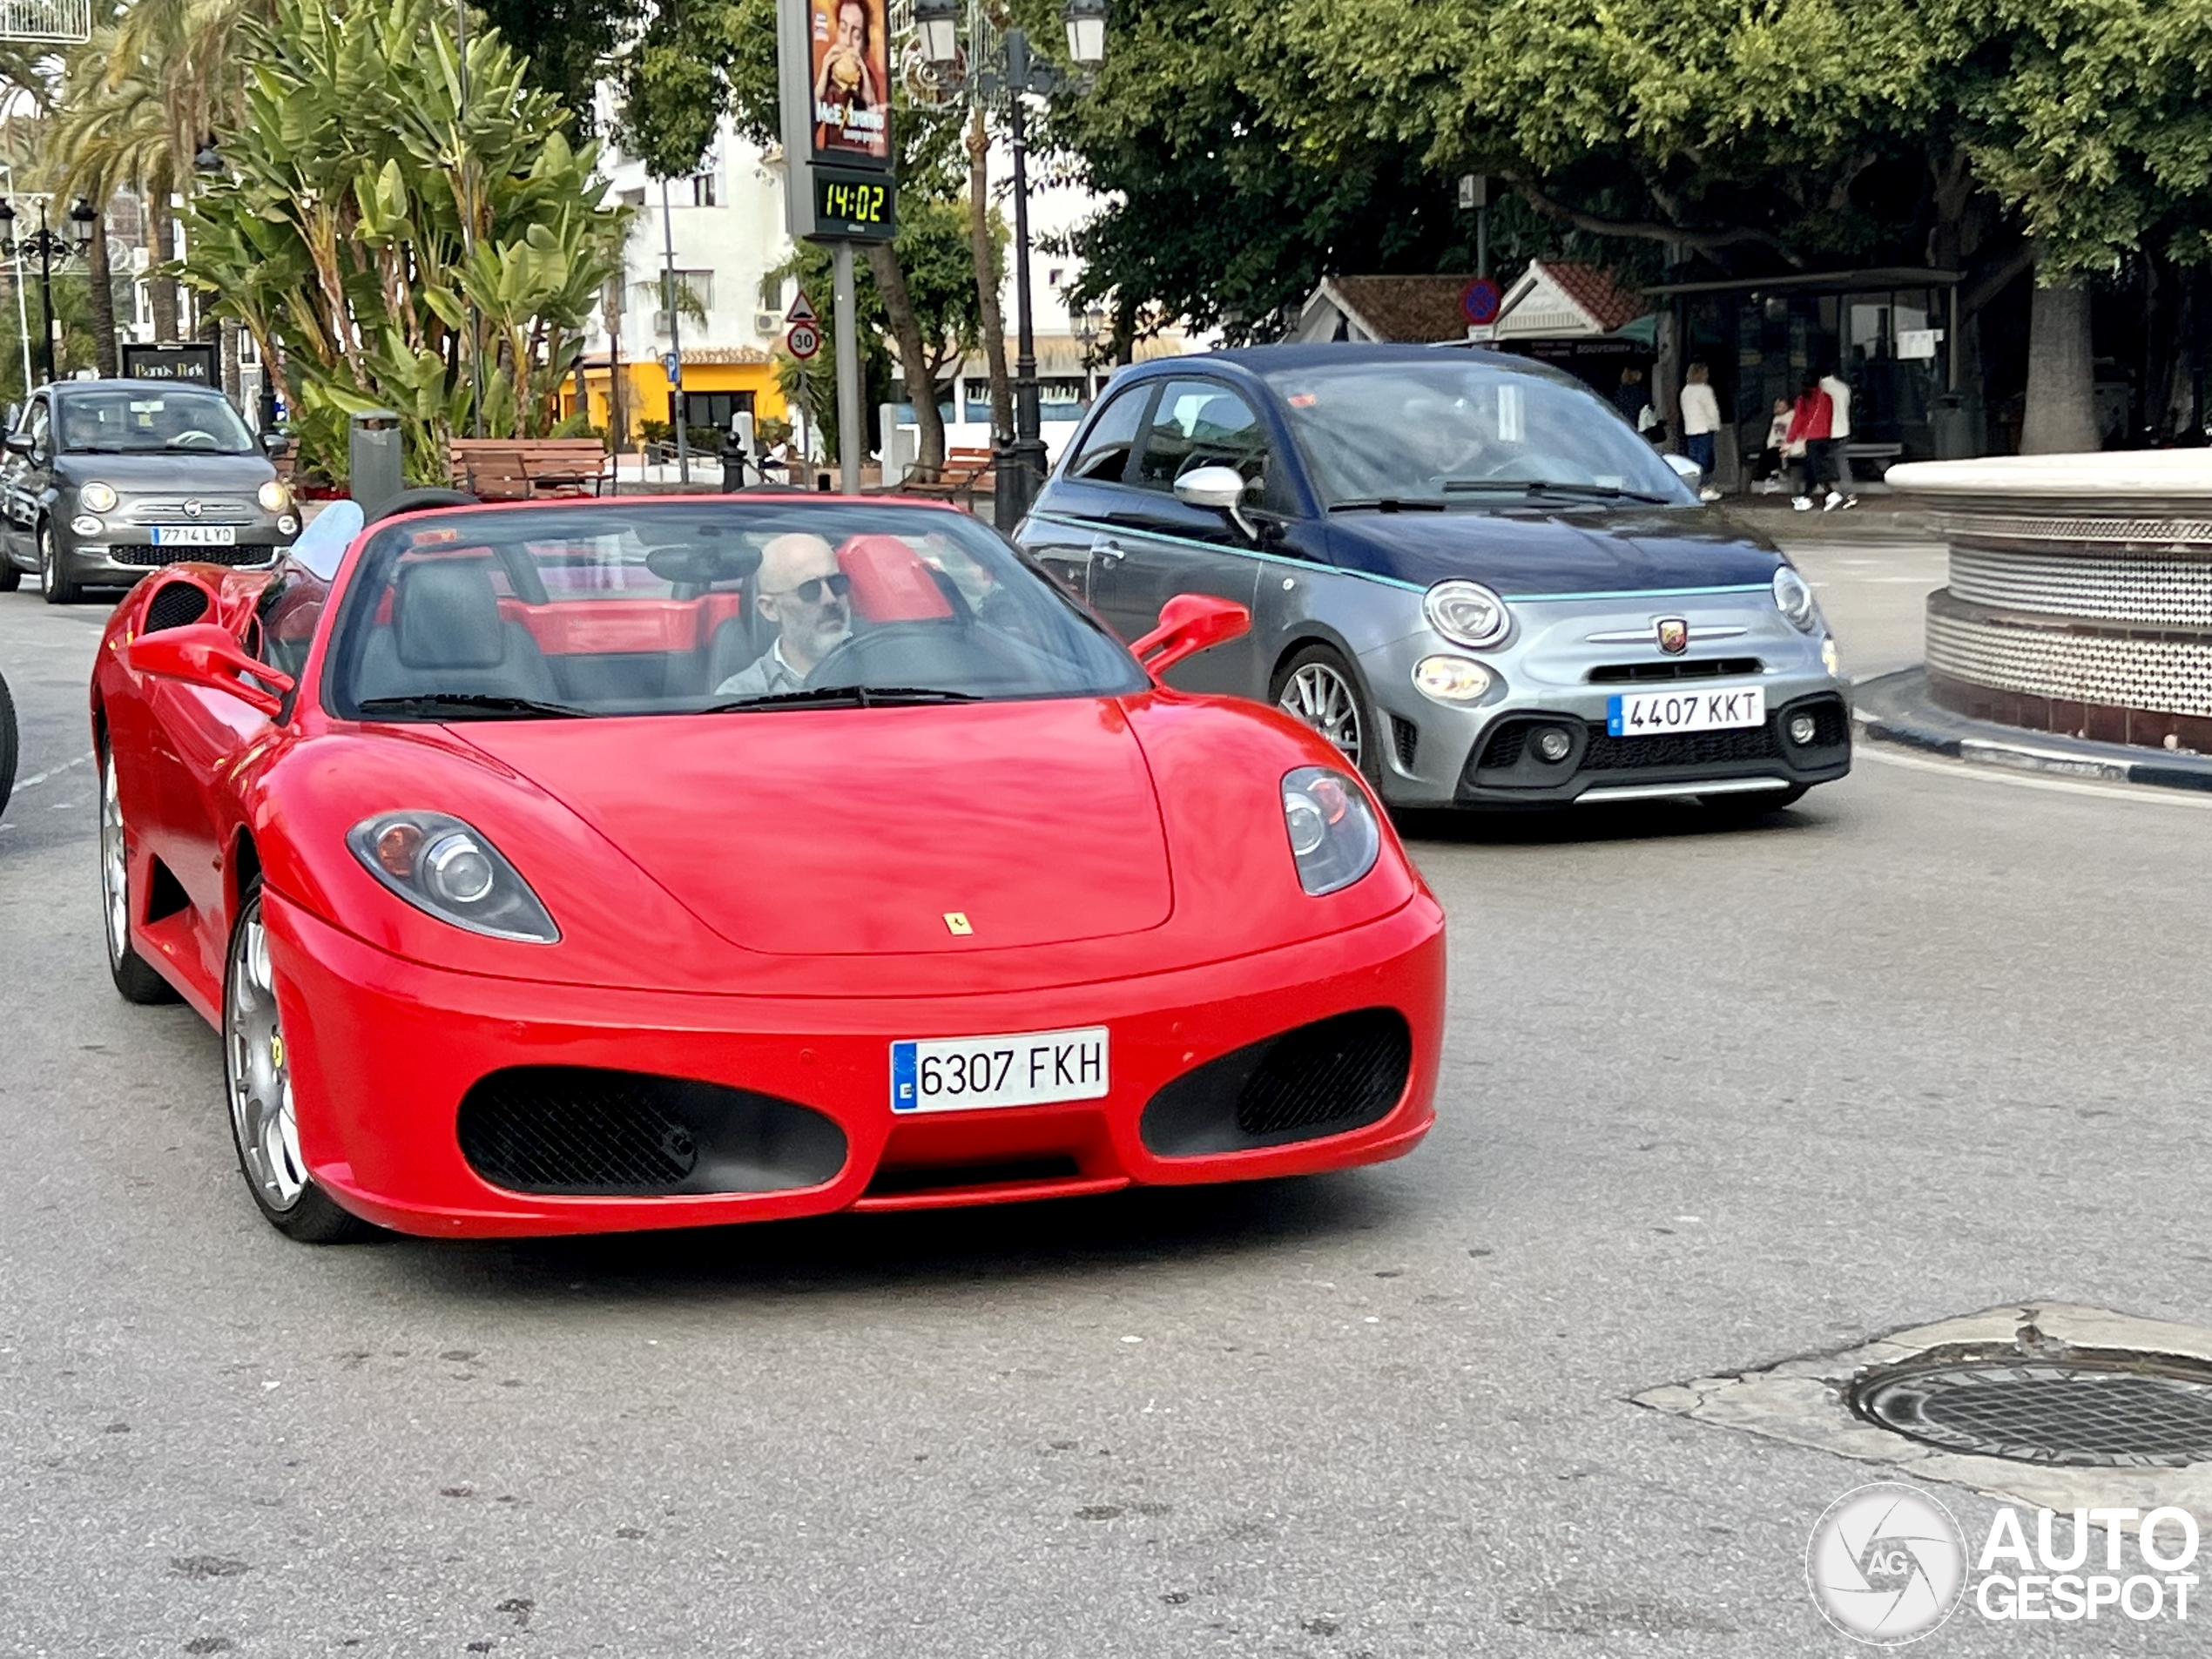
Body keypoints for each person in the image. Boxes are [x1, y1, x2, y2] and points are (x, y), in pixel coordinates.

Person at [714, 532, 852, 697]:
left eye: (837, 583)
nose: (830, 599)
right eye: (809, 590)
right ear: (770, 608)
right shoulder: (739, 697)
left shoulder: (882, 667)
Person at [1785, 373, 1835, 511]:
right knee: (1813, 468)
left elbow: (1799, 420)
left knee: (1814, 468)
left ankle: (1830, 492)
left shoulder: (1802, 400)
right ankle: (1806, 495)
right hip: (1824, 436)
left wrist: (1790, 440)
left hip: (1811, 437)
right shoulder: (1826, 398)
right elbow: (1829, 418)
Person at [1679, 362, 1723, 501]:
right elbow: (1712, 411)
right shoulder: (1705, 390)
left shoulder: (1685, 390)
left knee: (1693, 459)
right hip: (1704, 428)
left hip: (1690, 429)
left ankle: (1692, 486)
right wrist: (1716, 426)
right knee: (1705, 459)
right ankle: (1703, 486)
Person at [1818, 368, 1858, 509]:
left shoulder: (1821, 389)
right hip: (1843, 429)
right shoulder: (1844, 387)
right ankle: (1849, 494)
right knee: (1842, 463)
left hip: (1825, 431)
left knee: (1816, 461)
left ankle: (1828, 492)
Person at [1757, 396, 1793, 492]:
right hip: (1777, 446)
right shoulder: (1776, 419)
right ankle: (1770, 479)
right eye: (1777, 406)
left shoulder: (1792, 416)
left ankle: (1777, 475)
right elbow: (1772, 436)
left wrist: (1786, 443)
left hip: (1789, 445)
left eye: (1781, 406)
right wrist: (1770, 445)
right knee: (1766, 455)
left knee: (1774, 454)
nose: (1778, 408)